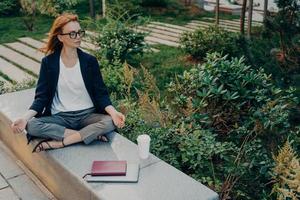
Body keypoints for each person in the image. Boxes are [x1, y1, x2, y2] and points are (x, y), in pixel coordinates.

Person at [11, 13, 125, 152]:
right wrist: (24, 118)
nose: (78, 37)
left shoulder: (89, 61)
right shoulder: (49, 63)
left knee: (109, 122)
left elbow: (101, 94)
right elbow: (42, 97)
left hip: (87, 115)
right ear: (60, 37)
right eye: (72, 34)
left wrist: (113, 113)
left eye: (79, 32)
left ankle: (62, 142)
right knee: (32, 125)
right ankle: (86, 135)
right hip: (61, 117)